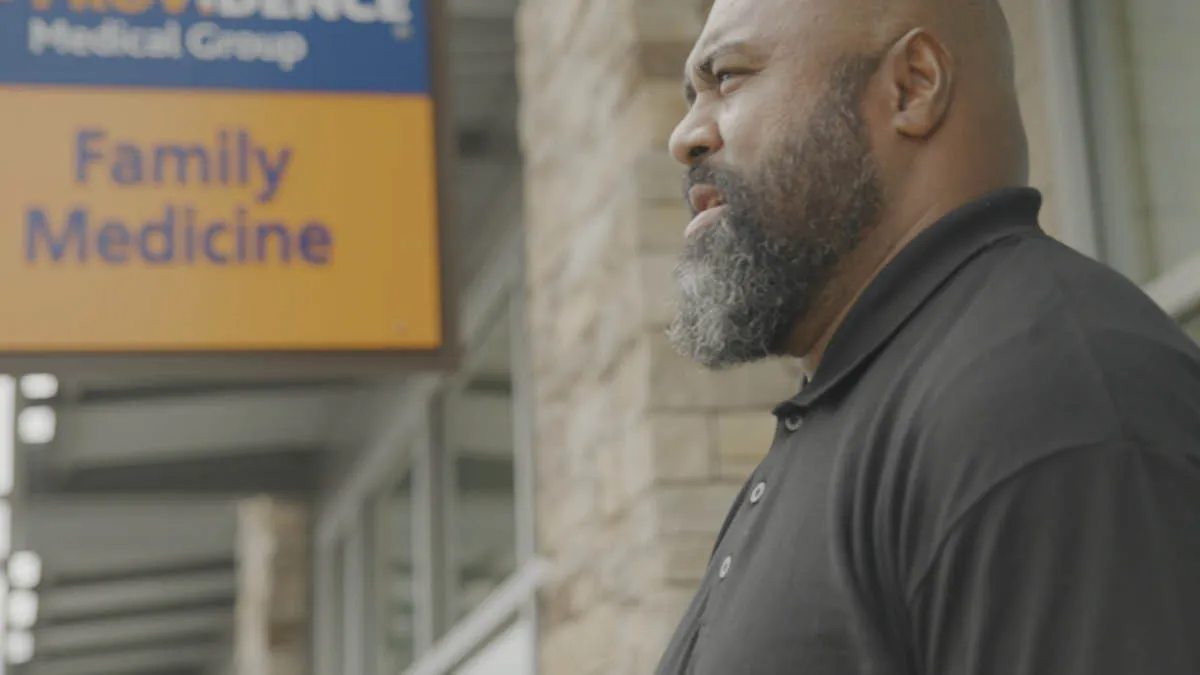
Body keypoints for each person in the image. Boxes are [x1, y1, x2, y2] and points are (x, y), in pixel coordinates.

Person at [658, 0, 1200, 673]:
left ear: (913, 86)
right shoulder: (865, 405)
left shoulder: (1045, 397)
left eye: (729, 76)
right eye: (692, 93)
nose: (685, 135)